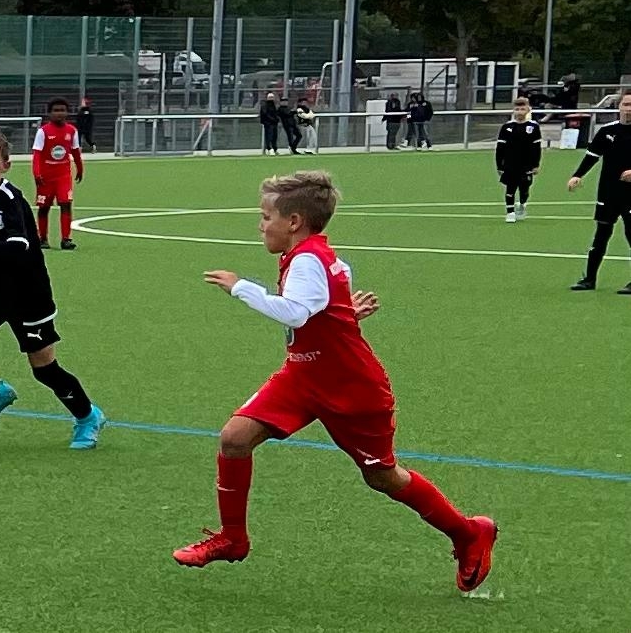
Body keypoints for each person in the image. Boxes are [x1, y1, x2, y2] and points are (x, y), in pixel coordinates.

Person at [172, 170, 498, 592]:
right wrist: (342, 315)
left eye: (266, 216)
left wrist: (240, 287)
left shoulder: (307, 258)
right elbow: (323, 302)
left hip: (351, 388)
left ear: (294, 222)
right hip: (303, 376)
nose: (260, 225)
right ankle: (233, 538)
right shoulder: (317, 255)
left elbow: (295, 312)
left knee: (383, 476)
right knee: (235, 438)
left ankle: (469, 533)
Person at [0, 131, 106, 450]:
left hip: (28, 295)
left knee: (44, 370)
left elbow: (17, 248)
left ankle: (87, 416)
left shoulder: (9, 200)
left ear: (5, 166)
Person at [567, 89, 631, 293]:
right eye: (626, 104)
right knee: (601, 235)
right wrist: (578, 175)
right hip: (608, 192)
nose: (629, 109)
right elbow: (592, 156)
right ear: (619, 106)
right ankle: (589, 279)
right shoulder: (607, 131)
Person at [32, 97, 84, 250]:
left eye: (62, 110)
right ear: (49, 113)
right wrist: (37, 173)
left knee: (66, 204)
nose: (59, 113)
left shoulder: (72, 131)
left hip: (63, 175)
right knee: (44, 207)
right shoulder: (43, 132)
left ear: (67, 113)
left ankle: (66, 239)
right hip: (46, 177)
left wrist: (80, 168)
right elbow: (37, 155)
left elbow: (75, 152)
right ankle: (42, 238)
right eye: (56, 110)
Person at [495, 97, 541, 224]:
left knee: (524, 189)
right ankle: (510, 212)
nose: (520, 112)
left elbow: (536, 148)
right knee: (510, 188)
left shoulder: (533, 127)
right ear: (513, 111)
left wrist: (536, 165)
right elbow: (500, 148)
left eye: (522, 109)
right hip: (510, 164)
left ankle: (522, 204)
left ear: (528, 110)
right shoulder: (507, 127)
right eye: (517, 109)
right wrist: (499, 165)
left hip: (527, 164)